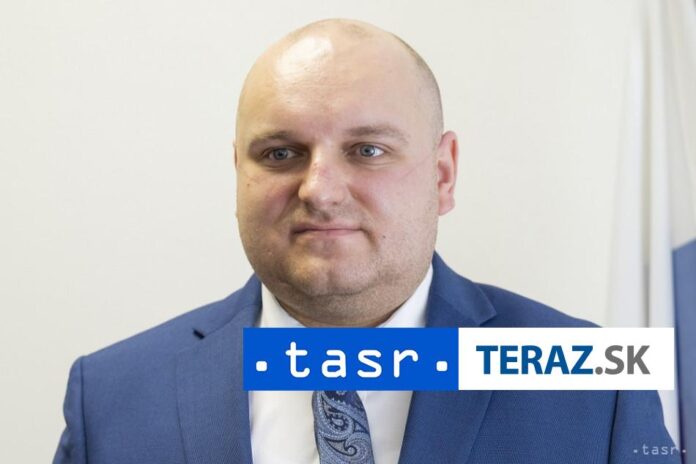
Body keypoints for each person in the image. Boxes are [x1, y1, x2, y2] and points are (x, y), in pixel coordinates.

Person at [53, 19, 678, 464]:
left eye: (368, 150)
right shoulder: (109, 398)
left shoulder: (598, 388)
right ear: (238, 172)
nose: (320, 191)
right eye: (281, 153)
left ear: (443, 175)